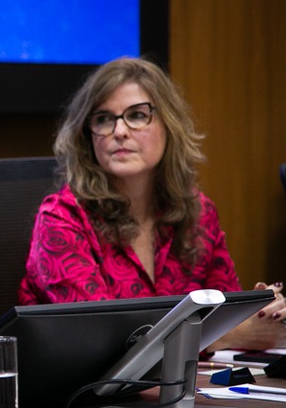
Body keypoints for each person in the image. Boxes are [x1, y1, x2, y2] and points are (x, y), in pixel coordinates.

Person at [18, 56, 285, 352]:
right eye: (104, 119)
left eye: (137, 115)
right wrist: (225, 336)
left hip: (183, 389)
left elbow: (226, 310)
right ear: (87, 137)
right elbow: (106, 341)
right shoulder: (62, 219)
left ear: (169, 125)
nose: (119, 131)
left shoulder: (198, 212)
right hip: (81, 395)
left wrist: (264, 312)